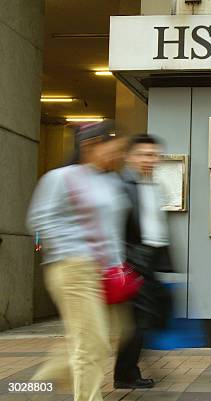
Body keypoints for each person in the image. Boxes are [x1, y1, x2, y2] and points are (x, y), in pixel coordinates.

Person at [28, 121, 129, 401]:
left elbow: (111, 230)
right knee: (91, 342)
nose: (118, 156)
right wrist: (73, 250)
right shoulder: (61, 178)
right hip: (74, 268)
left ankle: (41, 383)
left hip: (105, 271)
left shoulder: (109, 181)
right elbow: (41, 219)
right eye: (114, 149)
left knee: (110, 333)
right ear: (90, 145)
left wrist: (117, 265)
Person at [113, 134, 174, 389]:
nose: (150, 160)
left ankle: (129, 367)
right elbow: (114, 229)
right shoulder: (120, 186)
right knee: (138, 320)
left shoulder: (153, 185)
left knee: (153, 315)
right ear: (129, 156)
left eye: (154, 155)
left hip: (150, 260)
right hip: (131, 262)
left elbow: (156, 226)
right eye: (144, 154)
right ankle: (126, 373)